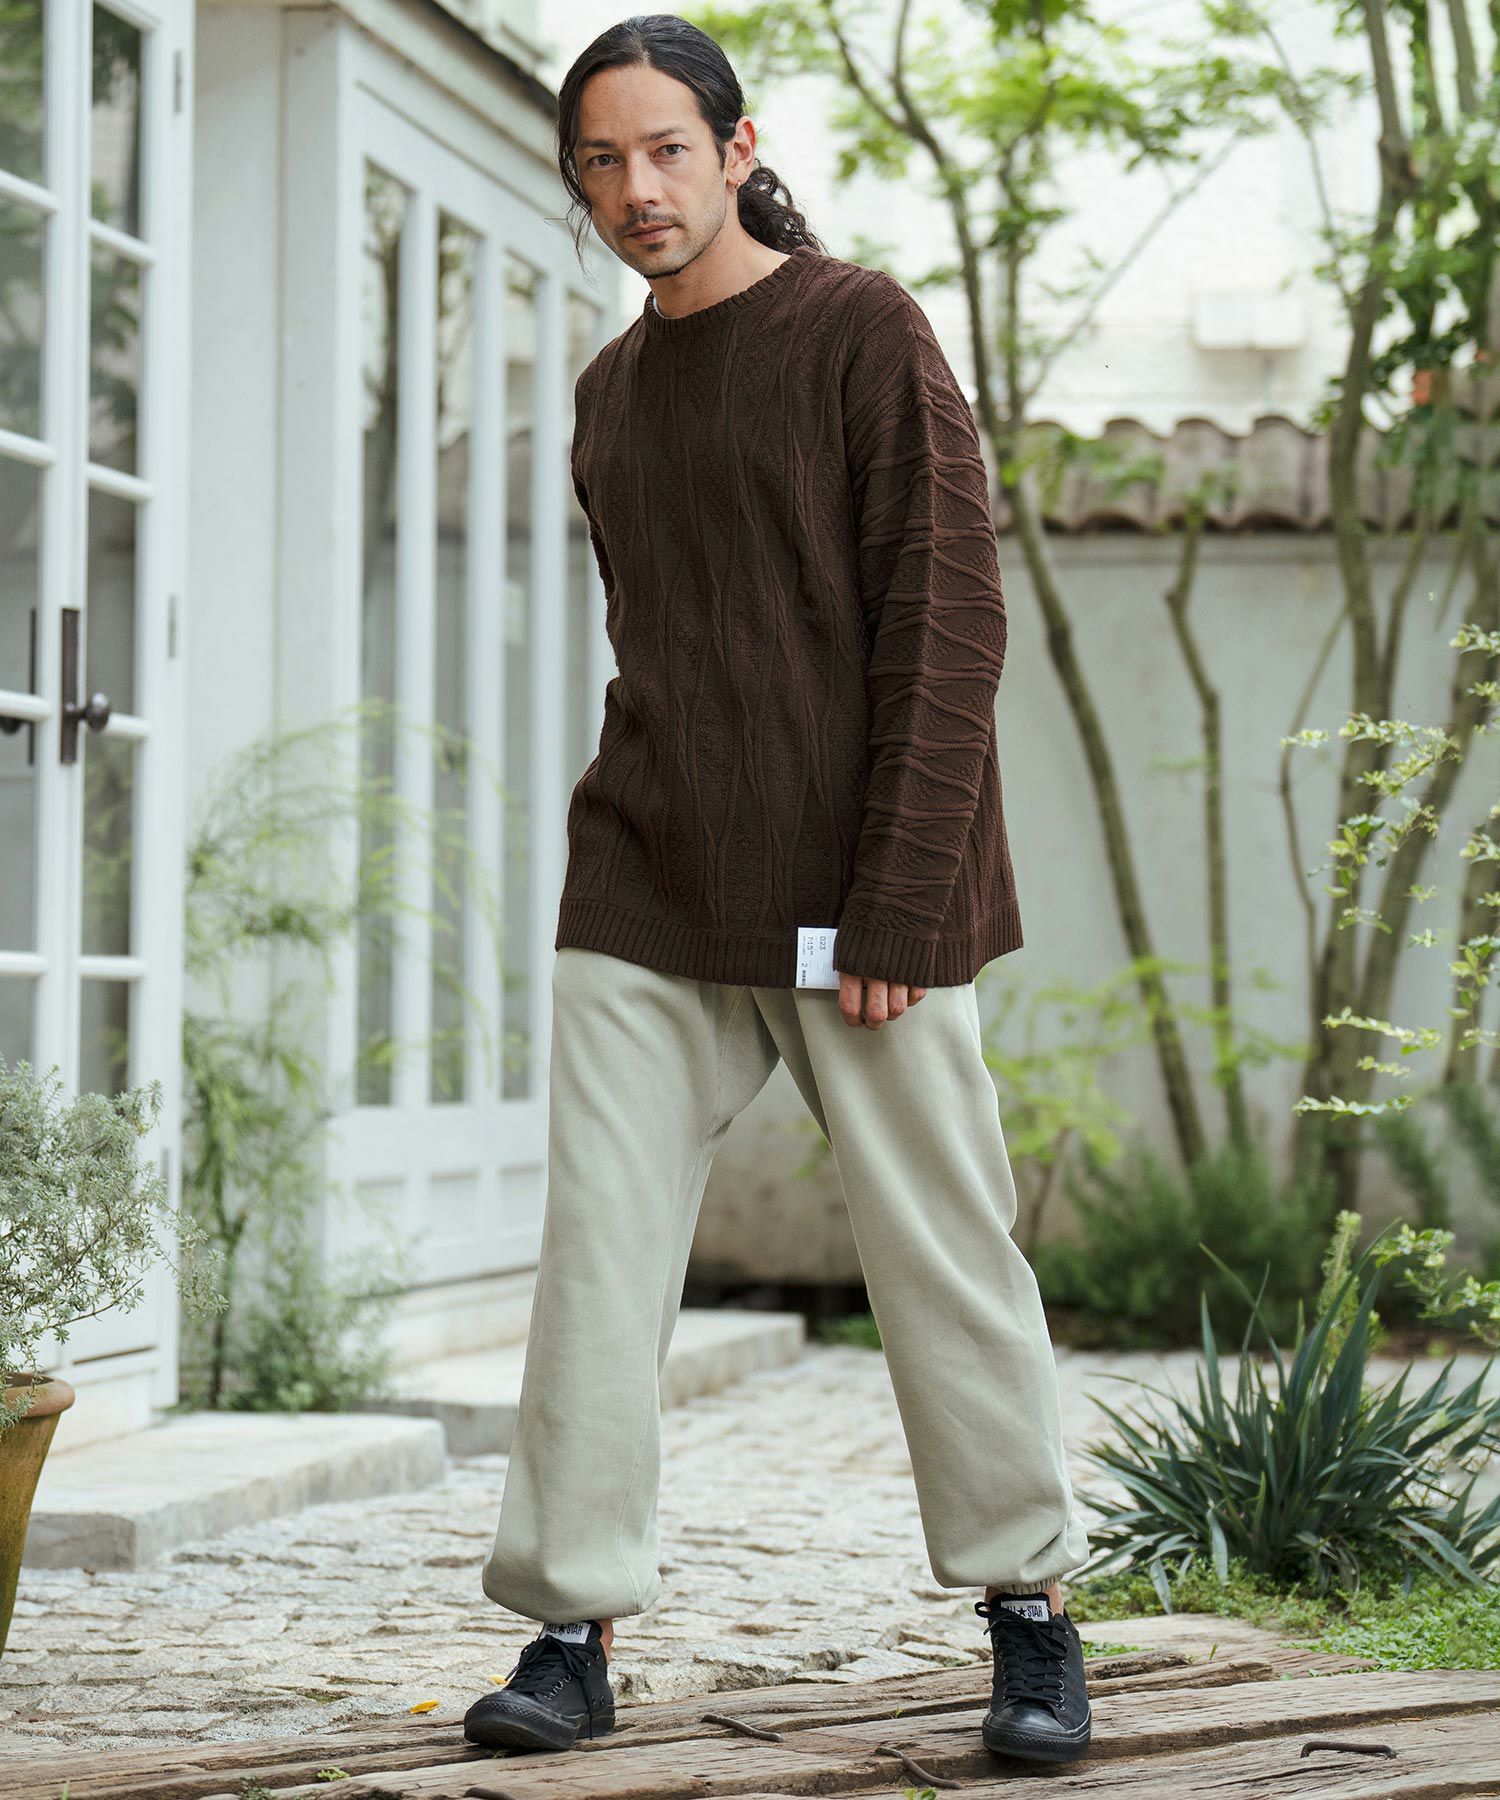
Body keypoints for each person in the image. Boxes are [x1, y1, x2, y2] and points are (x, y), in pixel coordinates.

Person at [462, 12, 1093, 1768]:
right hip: (650, 878)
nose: (637, 189)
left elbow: (948, 624)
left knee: (942, 1247)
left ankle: (1031, 1612)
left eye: (669, 149)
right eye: (602, 160)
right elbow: (668, 644)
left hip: (861, 894)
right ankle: (569, 1629)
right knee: (598, 1254)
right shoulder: (609, 393)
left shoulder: (861, 331)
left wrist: (900, 896)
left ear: (738, 151)